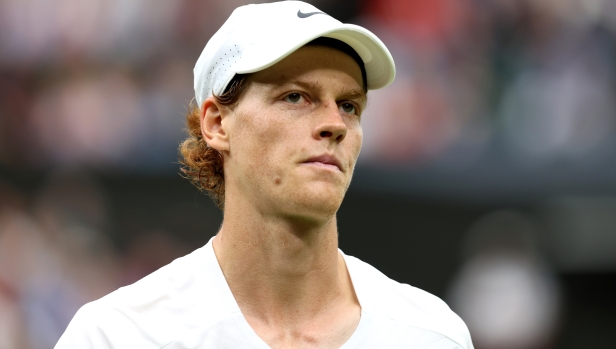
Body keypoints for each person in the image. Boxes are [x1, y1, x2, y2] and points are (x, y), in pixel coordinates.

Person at [55, 1, 473, 348]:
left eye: (349, 105)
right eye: (296, 96)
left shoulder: (434, 335)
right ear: (218, 124)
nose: (336, 124)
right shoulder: (117, 336)